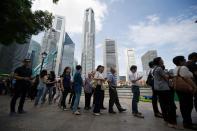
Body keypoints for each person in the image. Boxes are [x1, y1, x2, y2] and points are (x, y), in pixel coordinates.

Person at [153, 57, 179, 129]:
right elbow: (166, 77)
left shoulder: (154, 69)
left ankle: (166, 119)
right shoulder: (159, 68)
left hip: (159, 89)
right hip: (164, 89)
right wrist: (170, 75)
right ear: (159, 61)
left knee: (163, 104)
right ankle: (172, 122)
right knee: (170, 105)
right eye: (161, 60)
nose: (163, 61)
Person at [173, 56, 197, 130]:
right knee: (188, 106)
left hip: (179, 89)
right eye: (184, 59)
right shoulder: (183, 68)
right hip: (186, 89)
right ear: (180, 61)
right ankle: (188, 123)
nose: (185, 60)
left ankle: (186, 122)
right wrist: (195, 87)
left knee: (183, 106)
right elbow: (187, 78)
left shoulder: (175, 69)